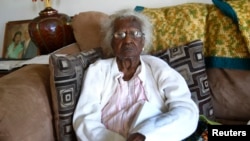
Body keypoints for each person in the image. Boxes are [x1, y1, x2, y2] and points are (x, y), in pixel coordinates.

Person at [73, 9, 199, 141]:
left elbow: (187, 111)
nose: (128, 40)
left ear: (143, 41)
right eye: (120, 34)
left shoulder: (157, 68)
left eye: (135, 33)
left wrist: (146, 135)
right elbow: (85, 120)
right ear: (111, 42)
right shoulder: (98, 70)